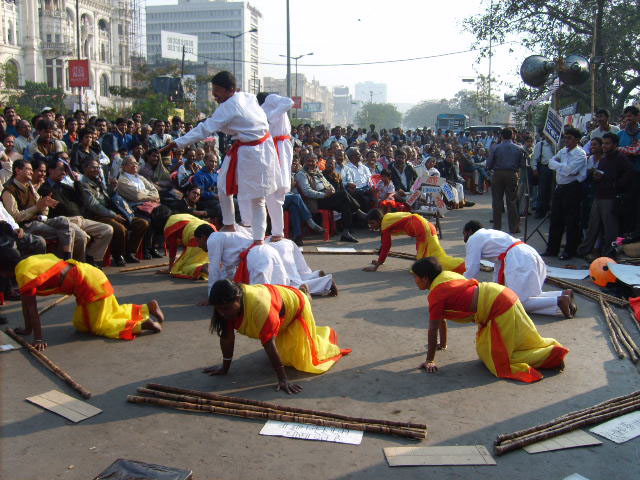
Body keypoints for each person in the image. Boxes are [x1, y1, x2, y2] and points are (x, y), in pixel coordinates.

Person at [162, 71, 277, 243]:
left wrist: (176, 144)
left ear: (230, 90)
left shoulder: (229, 106)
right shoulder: (246, 96)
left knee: (258, 197)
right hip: (245, 147)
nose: (214, 96)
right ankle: (229, 224)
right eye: (213, 90)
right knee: (223, 185)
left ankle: (259, 239)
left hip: (257, 152)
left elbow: (204, 129)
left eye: (217, 91)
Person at [411, 257, 569, 382]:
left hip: (498, 307)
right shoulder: (445, 277)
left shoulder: (436, 294)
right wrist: (443, 344)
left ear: (425, 278)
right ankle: (547, 352)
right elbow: (441, 320)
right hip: (502, 294)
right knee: (519, 341)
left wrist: (430, 360)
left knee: (498, 362)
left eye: (416, 277)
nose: (415, 281)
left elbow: (433, 328)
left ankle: (551, 356)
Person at [205, 279, 351, 393]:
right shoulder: (226, 308)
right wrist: (224, 368)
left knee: (302, 360)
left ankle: (305, 296)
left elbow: (269, 343)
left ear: (238, 298)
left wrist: (283, 379)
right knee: (282, 353)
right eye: (218, 310)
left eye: (226, 309)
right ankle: (303, 293)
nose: (222, 313)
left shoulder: (261, 308)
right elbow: (227, 338)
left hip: (294, 306)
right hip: (278, 302)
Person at [0, 250, 164, 350]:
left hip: (89, 284)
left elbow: (31, 309)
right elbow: (25, 303)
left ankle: (141, 325)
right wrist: (28, 330)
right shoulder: (27, 262)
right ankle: (145, 309)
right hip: (91, 275)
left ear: (4, 270)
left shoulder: (23, 275)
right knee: (85, 322)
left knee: (98, 326)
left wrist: (38, 338)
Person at [462, 221, 576, 318]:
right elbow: (498, 267)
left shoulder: (474, 238)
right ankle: (562, 294)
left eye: (464, 235)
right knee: (530, 297)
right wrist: (496, 293)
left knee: (517, 303)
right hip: (528, 253)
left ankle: (559, 301)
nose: (464, 239)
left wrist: (460, 287)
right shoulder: (490, 235)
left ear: (469, 231)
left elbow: (472, 269)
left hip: (518, 258)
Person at [194, 224, 289, 305]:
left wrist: (212, 297)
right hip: (267, 251)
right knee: (278, 292)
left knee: (260, 299)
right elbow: (227, 271)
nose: (198, 245)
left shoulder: (213, 239)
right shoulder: (225, 237)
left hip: (257, 255)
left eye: (198, 241)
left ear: (203, 237)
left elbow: (214, 269)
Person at [80, 158, 149, 266]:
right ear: (85, 168)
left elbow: (107, 197)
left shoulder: (98, 180)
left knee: (142, 223)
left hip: (112, 211)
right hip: (97, 216)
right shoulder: (83, 184)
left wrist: (112, 188)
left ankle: (130, 252)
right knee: (120, 228)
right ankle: (118, 255)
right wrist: (113, 215)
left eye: (98, 167)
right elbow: (93, 205)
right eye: (93, 167)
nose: (96, 170)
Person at [577, 133, 632, 259]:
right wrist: (596, 177)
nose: (604, 146)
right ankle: (585, 250)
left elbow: (629, 174)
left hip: (611, 197)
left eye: (607, 143)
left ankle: (609, 254)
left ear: (615, 145)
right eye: (603, 143)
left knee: (610, 229)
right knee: (593, 225)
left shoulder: (621, 158)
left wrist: (615, 184)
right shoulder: (604, 158)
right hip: (599, 195)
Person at [364, 210, 466, 273]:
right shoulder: (387, 219)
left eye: (372, 223)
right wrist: (379, 261)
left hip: (422, 229)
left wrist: (376, 267)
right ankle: (461, 265)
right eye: (369, 224)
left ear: (378, 220)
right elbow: (384, 244)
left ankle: (462, 267)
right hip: (427, 226)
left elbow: (386, 246)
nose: (371, 226)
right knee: (433, 256)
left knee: (420, 268)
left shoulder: (385, 224)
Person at [295, 153, 363, 243]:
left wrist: (332, 190)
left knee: (345, 204)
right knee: (343, 194)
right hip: (316, 201)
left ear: (316, 162)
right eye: (309, 161)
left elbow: (328, 184)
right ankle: (358, 211)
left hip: (326, 197)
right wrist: (323, 194)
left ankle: (346, 232)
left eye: (313, 161)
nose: (311, 163)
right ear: (304, 162)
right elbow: (307, 192)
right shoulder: (302, 174)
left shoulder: (317, 172)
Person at [543, 127, 588, 260]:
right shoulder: (563, 151)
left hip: (572, 189)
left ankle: (569, 250)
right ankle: (552, 249)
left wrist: (560, 167)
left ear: (577, 140)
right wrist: (562, 168)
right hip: (560, 187)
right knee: (556, 219)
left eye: (569, 138)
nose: (566, 140)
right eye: (565, 138)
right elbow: (551, 163)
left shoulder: (580, 154)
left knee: (571, 221)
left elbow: (570, 170)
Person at [258, 92, 294, 241]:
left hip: (278, 146)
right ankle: (275, 231)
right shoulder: (261, 108)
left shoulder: (270, 99)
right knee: (269, 191)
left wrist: (270, 116)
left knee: (276, 190)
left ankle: (278, 232)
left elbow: (289, 102)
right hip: (273, 146)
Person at [266, 236, 338, 296]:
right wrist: (278, 233)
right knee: (297, 276)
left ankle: (325, 282)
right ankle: (315, 276)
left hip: (266, 244)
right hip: (283, 241)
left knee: (286, 287)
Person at [487, 128, 526, 233]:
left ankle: (496, 227)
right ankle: (513, 227)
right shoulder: (519, 148)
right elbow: (522, 165)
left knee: (497, 201)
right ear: (512, 136)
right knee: (511, 201)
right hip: (512, 174)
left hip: (497, 174)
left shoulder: (495, 148)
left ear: (501, 136)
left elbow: (489, 164)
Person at [162, 213, 215, 280]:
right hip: (211, 228)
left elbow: (173, 247)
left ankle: (202, 268)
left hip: (196, 236)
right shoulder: (182, 216)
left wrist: (170, 268)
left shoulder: (169, 226)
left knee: (182, 267)